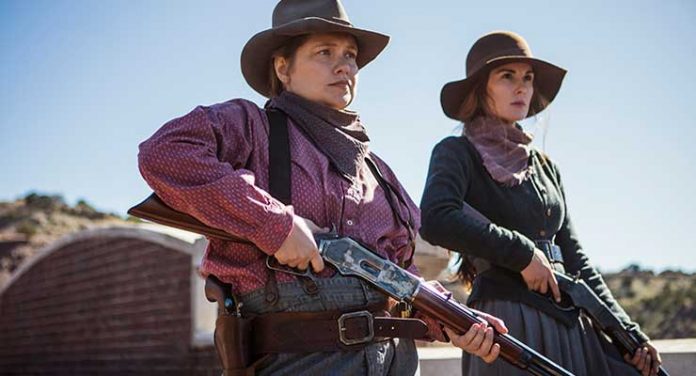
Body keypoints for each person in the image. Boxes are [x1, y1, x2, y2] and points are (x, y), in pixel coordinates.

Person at [137, 1, 504, 374]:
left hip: (395, 361)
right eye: (324, 52)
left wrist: (454, 319)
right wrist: (275, 225)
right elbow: (164, 153)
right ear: (283, 68)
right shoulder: (252, 128)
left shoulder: (380, 174)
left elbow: (400, 272)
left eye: (350, 55)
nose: (345, 66)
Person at [419, 30, 662, 376]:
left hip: (570, 322)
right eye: (507, 76)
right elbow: (436, 218)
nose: (522, 87)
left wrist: (628, 332)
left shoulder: (547, 168)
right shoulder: (456, 152)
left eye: (528, 78)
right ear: (480, 88)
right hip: (508, 323)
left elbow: (577, 259)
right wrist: (523, 254)